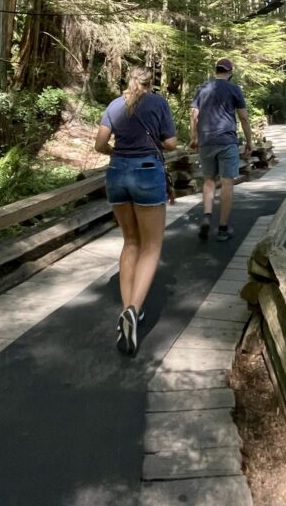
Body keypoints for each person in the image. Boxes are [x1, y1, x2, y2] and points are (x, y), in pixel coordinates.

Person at [95, 66, 177, 356]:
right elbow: (170, 143)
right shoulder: (158, 103)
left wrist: (117, 154)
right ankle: (134, 308)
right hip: (146, 172)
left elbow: (100, 143)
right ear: (150, 83)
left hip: (116, 172)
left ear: (128, 80)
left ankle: (129, 311)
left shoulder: (115, 105)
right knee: (152, 245)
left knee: (130, 241)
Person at [190, 58, 253, 241]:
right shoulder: (234, 89)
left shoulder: (203, 88)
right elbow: (243, 117)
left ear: (216, 70)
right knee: (227, 182)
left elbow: (194, 114)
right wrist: (249, 141)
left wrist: (194, 137)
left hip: (206, 140)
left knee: (209, 179)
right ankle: (223, 228)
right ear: (230, 72)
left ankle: (207, 216)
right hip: (227, 140)